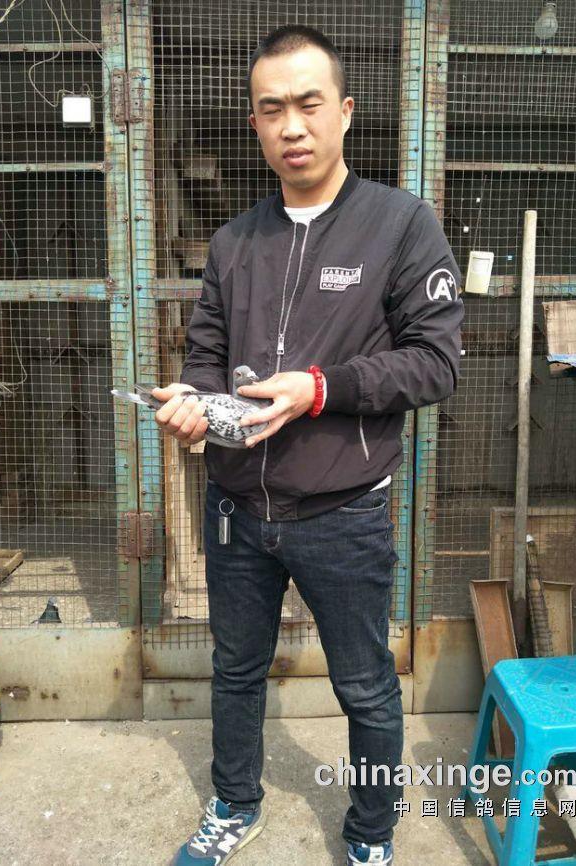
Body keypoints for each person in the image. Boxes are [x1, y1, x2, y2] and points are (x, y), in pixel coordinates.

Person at [153, 24, 464, 866]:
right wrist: (193, 403)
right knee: (234, 671)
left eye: (308, 103)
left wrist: (319, 388)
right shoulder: (234, 242)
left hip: (343, 512)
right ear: (255, 123)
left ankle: (370, 833)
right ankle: (235, 804)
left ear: (345, 111)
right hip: (237, 509)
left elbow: (436, 363)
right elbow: (207, 357)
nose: (291, 126)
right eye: (271, 109)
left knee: (365, 685)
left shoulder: (400, 226)